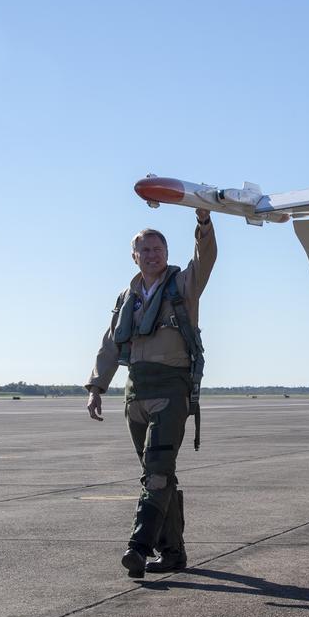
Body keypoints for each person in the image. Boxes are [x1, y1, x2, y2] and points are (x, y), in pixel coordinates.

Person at [86, 209, 216, 577]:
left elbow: (204, 259)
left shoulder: (183, 286)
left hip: (171, 389)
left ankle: (138, 548)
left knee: (157, 475)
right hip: (136, 392)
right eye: (145, 250)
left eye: (158, 249)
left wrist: (204, 226)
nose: (152, 255)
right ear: (135, 256)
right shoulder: (127, 297)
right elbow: (111, 344)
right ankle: (173, 552)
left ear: (167, 251)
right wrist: (96, 386)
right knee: (158, 475)